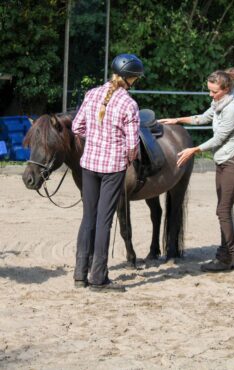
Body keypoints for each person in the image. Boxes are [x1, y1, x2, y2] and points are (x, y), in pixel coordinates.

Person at [159, 68, 234, 272]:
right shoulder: (219, 102)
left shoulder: (233, 108)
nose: (210, 95)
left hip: (233, 162)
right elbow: (202, 118)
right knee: (224, 210)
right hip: (223, 161)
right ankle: (228, 254)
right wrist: (177, 120)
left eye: (214, 91)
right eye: (209, 91)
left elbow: (220, 138)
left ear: (225, 89)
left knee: (223, 210)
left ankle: (228, 258)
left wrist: (194, 150)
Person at [72, 54, 144, 291]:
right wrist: (126, 156)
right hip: (112, 168)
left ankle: (80, 275)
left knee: (88, 218)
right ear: (131, 78)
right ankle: (99, 278)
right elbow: (133, 145)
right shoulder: (129, 104)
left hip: (89, 164)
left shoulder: (92, 94)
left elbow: (77, 127)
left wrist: (95, 140)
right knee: (104, 221)